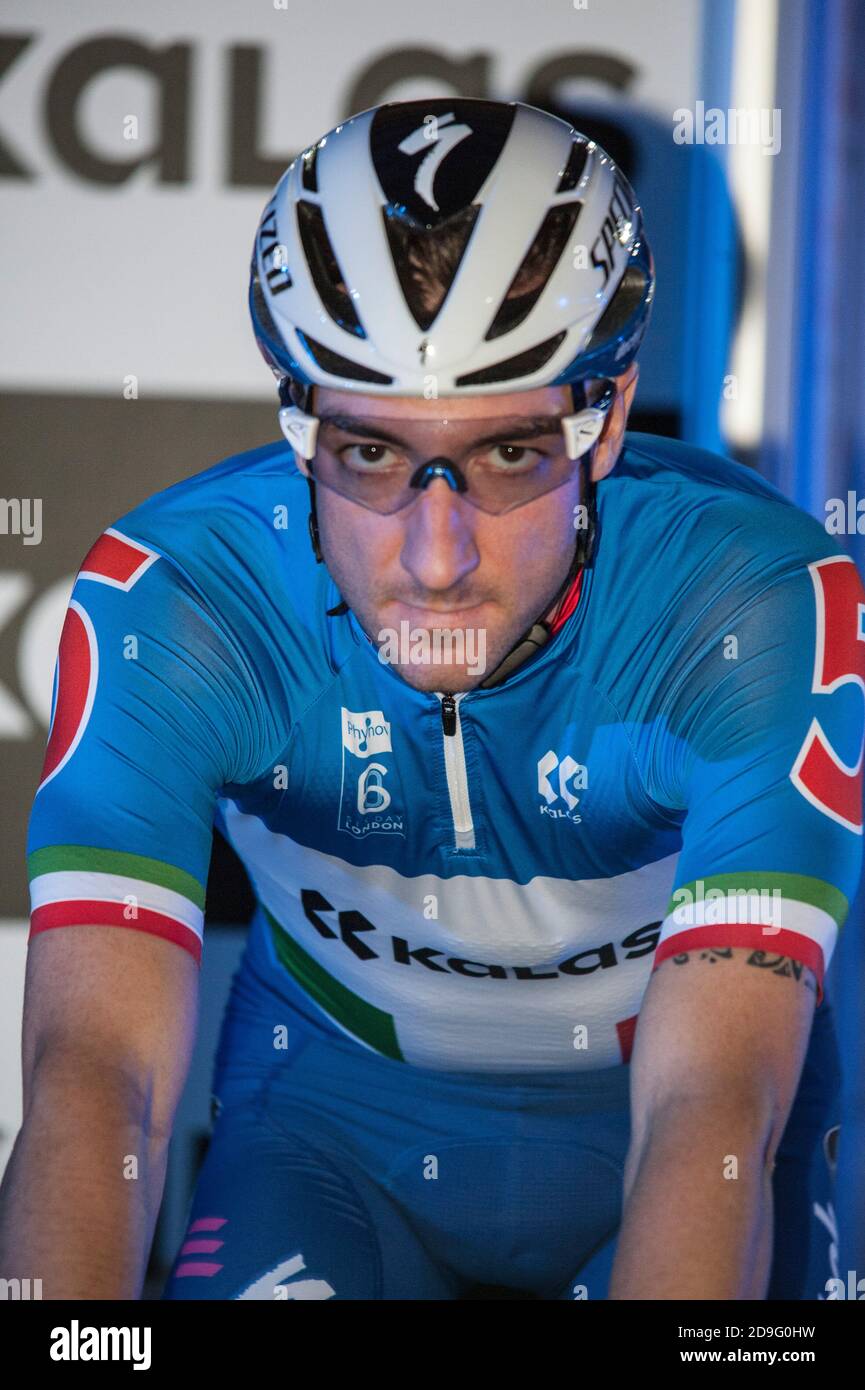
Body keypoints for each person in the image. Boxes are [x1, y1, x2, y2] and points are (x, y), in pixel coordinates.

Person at [1, 97, 861, 1301]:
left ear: (606, 416)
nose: (436, 554)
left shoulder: (749, 601)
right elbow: (97, 1077)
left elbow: (712, 1104)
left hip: (675, 1122)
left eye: (510, 454)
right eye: (371, 456)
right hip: (326, 1130)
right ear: (298, 422)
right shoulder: (182, 599)